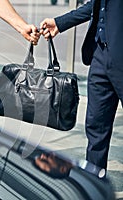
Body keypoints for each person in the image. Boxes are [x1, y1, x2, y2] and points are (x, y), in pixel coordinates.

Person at [39, 0, 123, 174]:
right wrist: (60, 23)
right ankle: (94, 183)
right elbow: (98, 5)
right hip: (99, 55)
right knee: (95, 127)